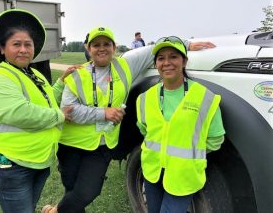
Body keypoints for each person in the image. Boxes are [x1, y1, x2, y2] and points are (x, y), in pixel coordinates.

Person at [41, 28, 216, 213]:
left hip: (102, 144)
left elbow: (153, 49)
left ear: (114, 47)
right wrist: (103, 113)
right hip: (71, 144)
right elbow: (69, 112)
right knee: (72, 189)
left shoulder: (125, 65)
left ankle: (54, 211)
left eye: (107, 44)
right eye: (96, 45)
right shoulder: (77, 74)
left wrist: (187, 44)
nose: (102, 48)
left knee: (87, 191)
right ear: (88, 48)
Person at [0, 9, 78, 213]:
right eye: (16, 44)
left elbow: (47, 98)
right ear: (2, 49)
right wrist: (61, 116)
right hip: (11, 165)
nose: (23, 49)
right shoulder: (0, 76)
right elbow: (21, 112)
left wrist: (61, 82)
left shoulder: (33, 73)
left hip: (36, 161)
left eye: (28, 44)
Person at [136, 36, 225, 213]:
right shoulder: (144, 99)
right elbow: (145, 129)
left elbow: (216, 139)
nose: (167, 62)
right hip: (152, 172)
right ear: (156, 64)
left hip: (183, 176)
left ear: (184, 61)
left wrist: (189, 152)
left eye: (173, 57)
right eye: (161, 58)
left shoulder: (204, 97)